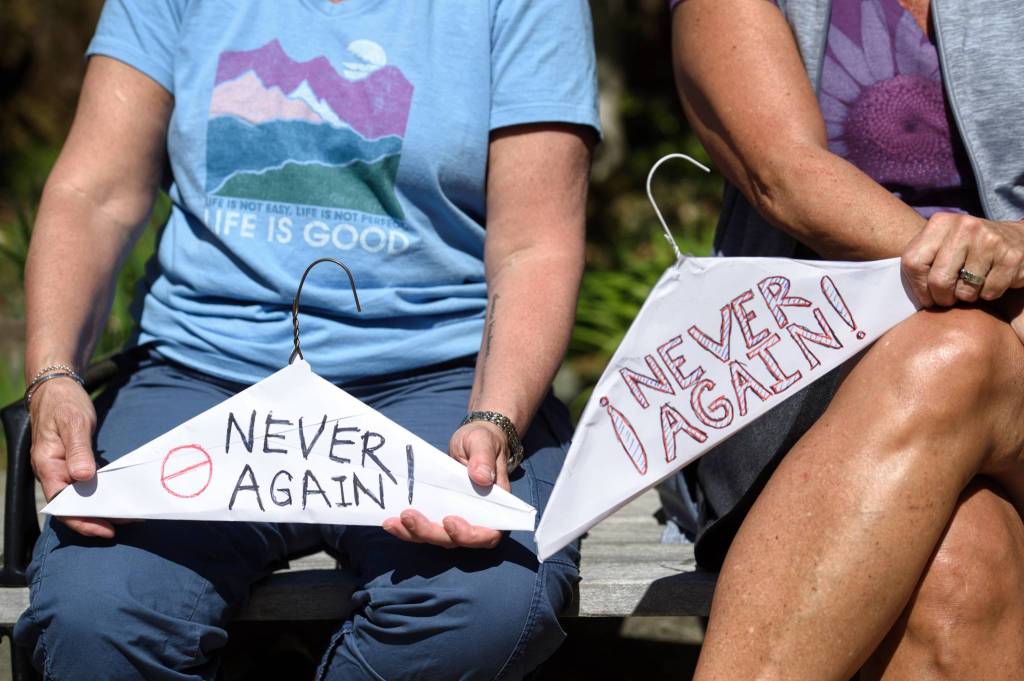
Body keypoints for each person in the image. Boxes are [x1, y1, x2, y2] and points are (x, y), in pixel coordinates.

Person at [13, 0, 600, 678]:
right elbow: (94, 193)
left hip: (440, 376)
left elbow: (535, 244)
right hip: (203, 369)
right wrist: (54, 375)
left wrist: (495, 415)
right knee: (95, 614)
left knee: (488, 602)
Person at [668, 0, 1024, 678]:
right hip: (806, 373)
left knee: (950, 353)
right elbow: (786, 177)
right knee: (960, 571)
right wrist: (986, 276)